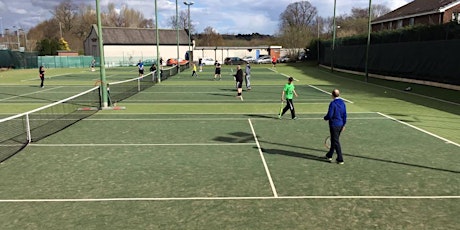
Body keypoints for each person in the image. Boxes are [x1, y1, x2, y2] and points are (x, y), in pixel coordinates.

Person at [324, 89, 347, 164]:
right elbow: (344, 115)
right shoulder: (343, 103)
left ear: (332, 95)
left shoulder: (332, 104)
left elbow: (330, 115)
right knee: (334, 140)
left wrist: (325, 118)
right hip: (340, 125)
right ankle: (329, 155)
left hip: (334, 125)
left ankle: (340, 159)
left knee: (336, 141)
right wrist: (344, 124)